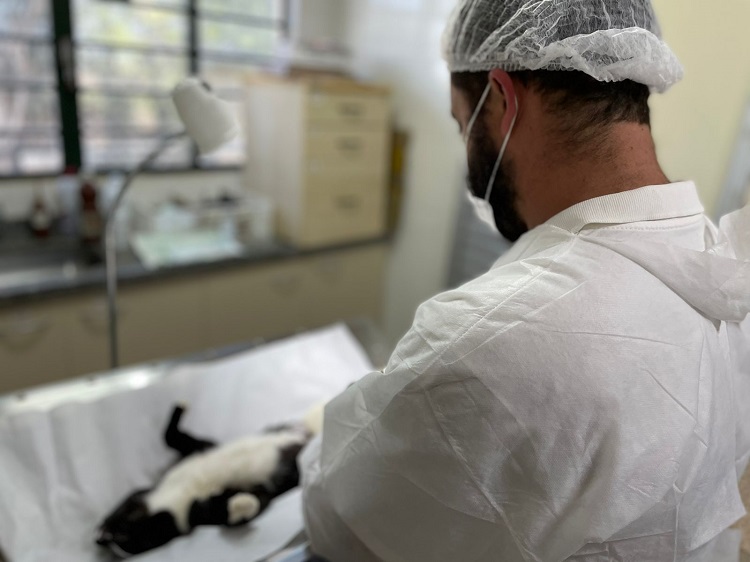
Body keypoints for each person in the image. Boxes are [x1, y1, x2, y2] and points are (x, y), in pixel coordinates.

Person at [300, 1, 750, 560]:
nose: (466, 149)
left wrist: (314, 444)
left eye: (462, 124)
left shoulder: (480, 346)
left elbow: (342, 525)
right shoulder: (725, 269)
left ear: (502, 100)